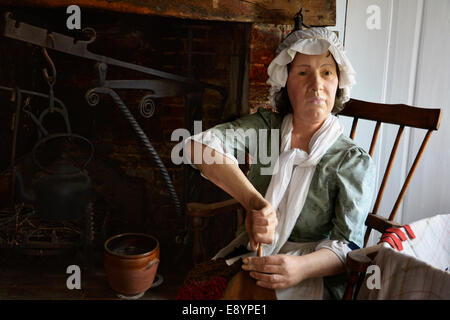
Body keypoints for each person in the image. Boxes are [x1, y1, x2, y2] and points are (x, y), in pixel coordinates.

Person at [182, 27, 375, 300]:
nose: (317, 83)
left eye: (327, 72)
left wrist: (299, 268)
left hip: (314, 271)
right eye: (303, 72)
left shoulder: (351, 160)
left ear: (339, 82)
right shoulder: (266, 131)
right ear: (285, 82)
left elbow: (348, 247)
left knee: (248, 292)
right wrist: (254, 203)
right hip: (256, 253)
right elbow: (196, 147)